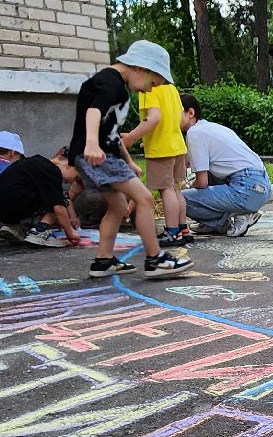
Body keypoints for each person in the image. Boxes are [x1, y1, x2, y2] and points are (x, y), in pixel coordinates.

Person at [69, 40, 192, 280]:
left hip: (97, 155)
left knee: (118, 207)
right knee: (144, 198)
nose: (148, 90)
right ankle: (155, 259)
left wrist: (128, 161)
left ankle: (103, 261)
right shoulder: (112, 83)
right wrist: (91, 143)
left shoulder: (115, 84)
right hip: (96, 154)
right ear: (140, 68)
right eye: (152, 83)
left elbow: (112, 134)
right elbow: (93, 111)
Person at [181, 98, 270, 238]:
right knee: (209, 176)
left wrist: (188, 187)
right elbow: (187, 162)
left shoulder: (194, 133)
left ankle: (223, 221)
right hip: (262, 186)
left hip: (245, 188)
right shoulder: (209, 128)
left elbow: (201, 182)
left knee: (180, 199)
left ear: (190, 113)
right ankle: (216, 222)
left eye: (174, 112)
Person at [122, 76, 191, 250]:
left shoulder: (149, 89)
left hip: (161, 150)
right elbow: (183, 121)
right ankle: (183, 229)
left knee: (166, 190)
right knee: (176, 189)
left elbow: (153, 119)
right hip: (178, 146)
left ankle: (172, 231)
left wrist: (131, 136)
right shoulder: (172, 89)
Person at [0, 150, 86, 248]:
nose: (71, 182)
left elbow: (64, 197)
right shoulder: (52, 171)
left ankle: (13, 226)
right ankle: (40, 231)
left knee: (54, 196)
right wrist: (70, 233)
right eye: (76, 177)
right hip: (12, 203)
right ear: (68, 165)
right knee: (55, 201)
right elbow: (59, 206)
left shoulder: (37, 163)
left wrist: (72, 217)